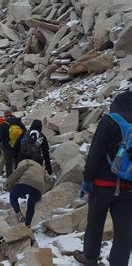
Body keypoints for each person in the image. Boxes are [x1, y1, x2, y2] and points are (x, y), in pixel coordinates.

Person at [74, 91, 132, 266]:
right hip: (128, 188)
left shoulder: (109, 121)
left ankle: (90, 257)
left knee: (95, 222)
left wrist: (87, 179)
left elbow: (96, 153)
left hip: (102, 184)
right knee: (124, 230)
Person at [3, 154, 45, 227]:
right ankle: (28, 225)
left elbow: (18, 172)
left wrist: (8, 184)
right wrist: (40, 195)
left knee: (13, 196)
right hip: (38, 187)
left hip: (26, 181)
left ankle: (19, 215)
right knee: (31, 205)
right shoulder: (42, 169)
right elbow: (44, 181)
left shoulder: (28, 161)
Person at [0, 109, 26, 177]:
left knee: (8, 164)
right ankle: (17, 177)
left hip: (7, 147)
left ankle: (9, 179)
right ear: (11, 114)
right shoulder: (18, 122)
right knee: (16, 162)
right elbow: (25, 132)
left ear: (5, 115)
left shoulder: (4, 124)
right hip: (18, 146)